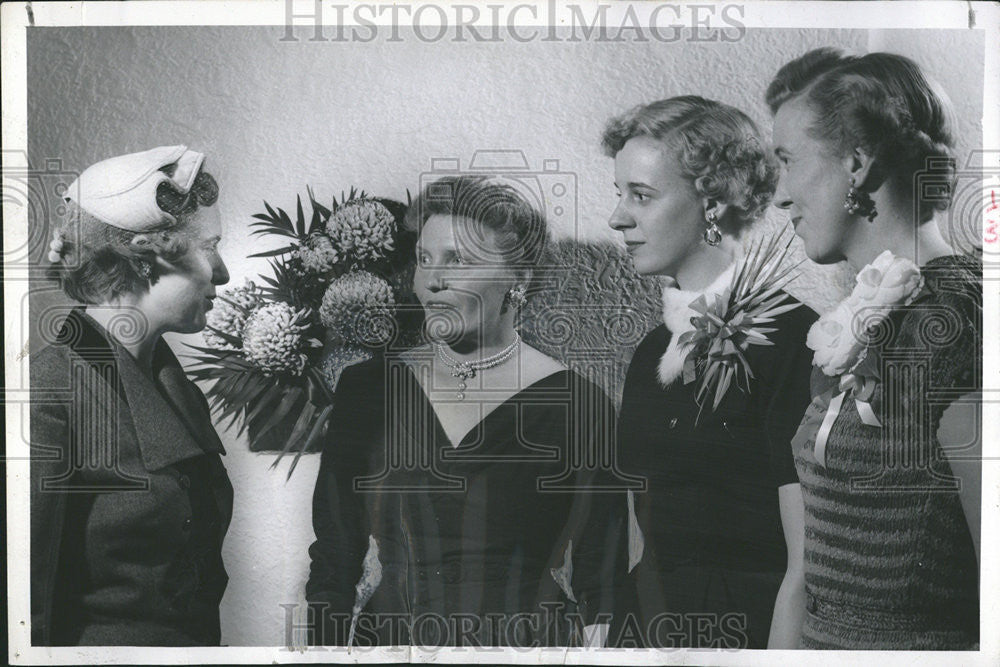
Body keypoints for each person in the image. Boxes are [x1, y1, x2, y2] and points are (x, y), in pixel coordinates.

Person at [306, 175, 619, 647]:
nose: (432, 281)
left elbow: (603, 580)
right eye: (424, 260)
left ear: (518, 278)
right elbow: (334, 559)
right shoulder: (368, 389)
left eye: (458, 261)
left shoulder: (579, 405)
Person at [768, 48, 981, 649]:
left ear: (857, 162)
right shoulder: (862, 316)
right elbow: (809, 578)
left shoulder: (959, 322)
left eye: (788, 161)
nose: (780, 196)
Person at [603, 96, 817, 648]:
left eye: (642, 196)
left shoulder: (798, 342)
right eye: (620, 194)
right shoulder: (652, 349)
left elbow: (807, 567)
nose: (617, 217)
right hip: (645, 629)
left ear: (713, 202)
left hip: (748, 635)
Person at [30, 146, 233, 645]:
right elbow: (21, 609)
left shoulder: (175, 386)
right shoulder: (49, 392)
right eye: (210, 247)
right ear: (148, 255)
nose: (223, 272)